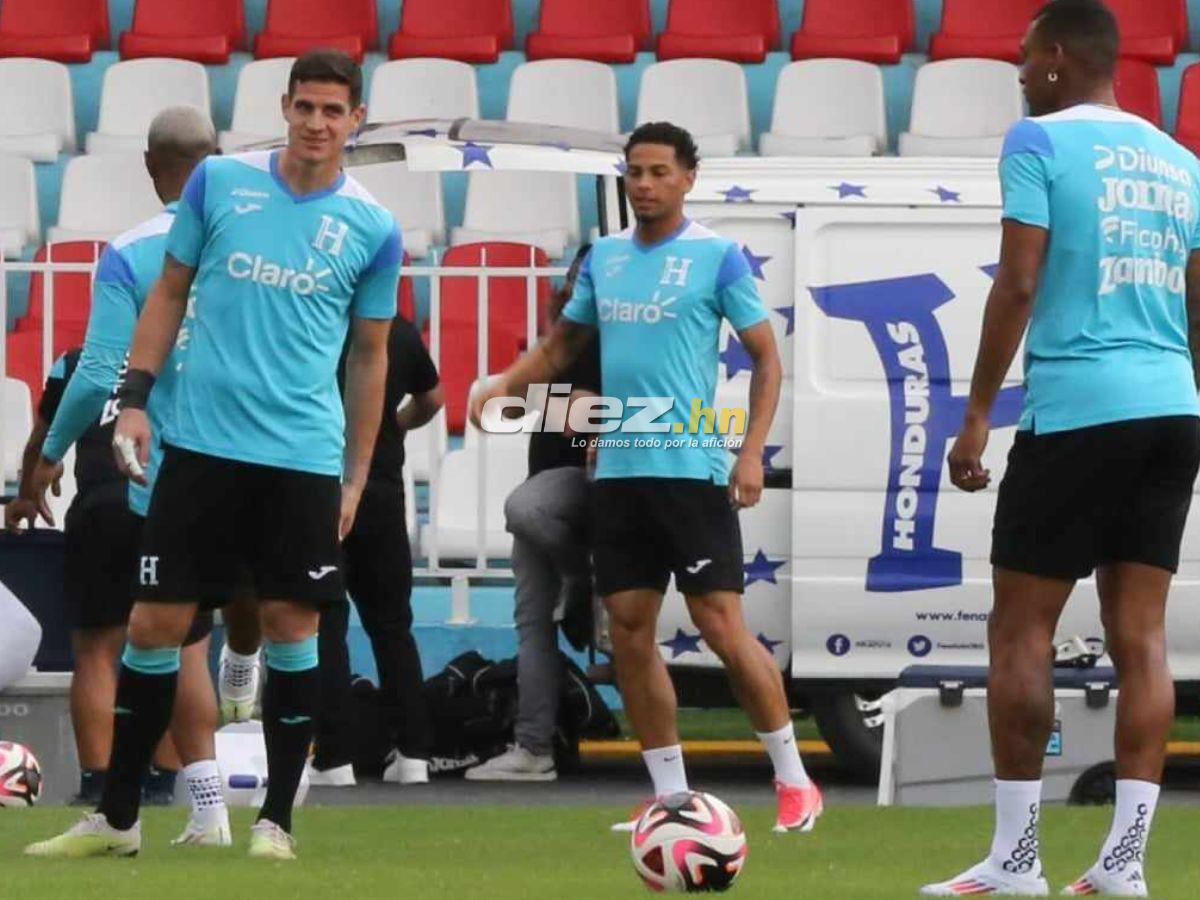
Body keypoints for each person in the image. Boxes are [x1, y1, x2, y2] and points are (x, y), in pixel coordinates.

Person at [24, 49, 400, 861]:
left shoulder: (373, 227)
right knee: (153, 625)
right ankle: (118, 817)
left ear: (355, 120)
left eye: (334, 111)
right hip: (196, 447)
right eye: (305, 107)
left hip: (300, 454)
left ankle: (276, 824)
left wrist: (357, 475)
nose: (317, 123)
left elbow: (370, 358)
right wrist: (133, 403)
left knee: (291, 623)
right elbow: (169, 291)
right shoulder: (220, 185)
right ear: (285, 107)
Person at [470, 122, 821, 833]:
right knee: (629, 631)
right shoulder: (603, 258)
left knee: (720, 626)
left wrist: (750, 451)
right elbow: (564, 345)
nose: (646, 185)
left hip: (688, 470)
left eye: (660, 172)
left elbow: (767, 358)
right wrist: (503, 384)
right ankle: (670, 799)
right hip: (617, 474)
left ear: (688, 178)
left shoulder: (717, 257)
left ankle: (793, 780)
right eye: (635, 172)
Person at [924, 2, 1200, 896]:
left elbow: (1019, 280)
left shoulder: (1035, 143)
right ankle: (1123, 865)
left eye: (1023, 56)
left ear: (1058, 57)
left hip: (1078, 408)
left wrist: (975, 415)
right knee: (1141, 639)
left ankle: (1016, 861)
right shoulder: (1181, 162)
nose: (1016, 71)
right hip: (1171, 408)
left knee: (1021, 629)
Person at [6, 344, 217, 825]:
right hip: (175, 505)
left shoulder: (80, 359)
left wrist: (26, 493)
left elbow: (45, 436)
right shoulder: (196, 351)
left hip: (101, 509)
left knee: (97, 653)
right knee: (184, 648)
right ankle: (165, 787)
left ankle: (98, 786)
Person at [465, 244, 600, 783]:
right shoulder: (555, 346)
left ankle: (579, 576)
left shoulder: (611, 341)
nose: (572, 290)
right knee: (531, 624)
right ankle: (533, 746)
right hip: (547, 479)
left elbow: (586, 416)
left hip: (584, 483)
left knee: (522, 508)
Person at [304, 314, 444, 787]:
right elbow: (432, 399)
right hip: (382, 485)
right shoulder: (397, 330)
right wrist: (394, 425)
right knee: (392, 626)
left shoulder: (309, 324)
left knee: (327, 624)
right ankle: (414, 755)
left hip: (322, 484)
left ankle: (335, 757)